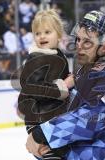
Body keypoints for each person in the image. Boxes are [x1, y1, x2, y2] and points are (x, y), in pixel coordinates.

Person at [26, 10, 105, 160]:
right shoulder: (78, 74)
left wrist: (42, 133)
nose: (79, 46)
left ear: (104, 46)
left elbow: (93, 117)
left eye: (87, 42)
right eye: (78, 39)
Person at [17, 9, 71, 159]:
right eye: (38, 33)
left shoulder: (55, 55)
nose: (42, 36)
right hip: (41, 121)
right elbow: (35, 90)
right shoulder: (37, 59)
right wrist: (64, 85)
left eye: (47, 32)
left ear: (59, 35)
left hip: (51, 119)